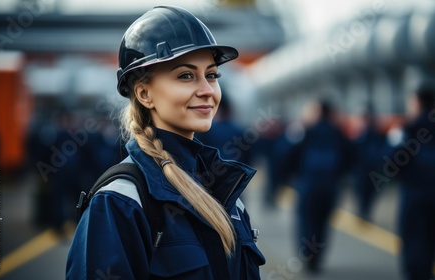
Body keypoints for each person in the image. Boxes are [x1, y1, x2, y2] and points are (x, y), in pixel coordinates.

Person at [66, 6, 265, 279]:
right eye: (186, 75)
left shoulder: (226, 194)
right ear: (145, 93)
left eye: (212, 75)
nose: (207, 90)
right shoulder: (119, 202)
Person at [279, 99, 354, 273]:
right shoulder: (338, 133)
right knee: (323, 222)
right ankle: (317, 258)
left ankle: (307, 256)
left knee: (306, 221)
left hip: (308, 185)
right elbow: (352, 157)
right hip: (331, 186)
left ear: (317, 112)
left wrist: (289, 177)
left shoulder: (305, 131)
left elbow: (287, 155)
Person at [396, 83, 435, 280]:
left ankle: (415, 274)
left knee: (413, 237)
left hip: (414, 193)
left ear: (418, 103)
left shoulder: (409, 127)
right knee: (432, 236)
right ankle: (429, 273)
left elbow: (395, 160)